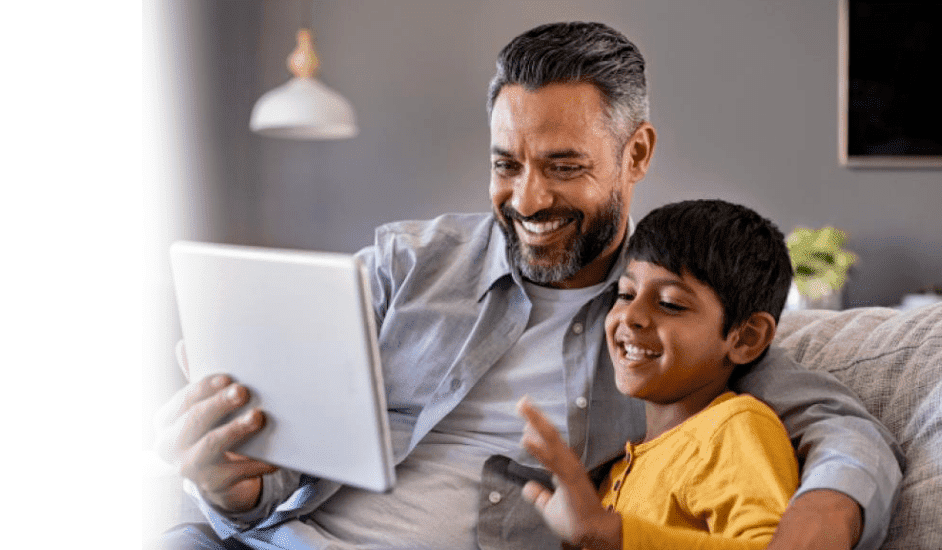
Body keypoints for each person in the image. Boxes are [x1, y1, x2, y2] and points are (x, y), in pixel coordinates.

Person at [155, 21, 903, 550]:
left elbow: (841, 428)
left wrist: (825, 521)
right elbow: (277, 457)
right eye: (507, 164)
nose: (528, 199)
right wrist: (230, 480)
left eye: (565, 166)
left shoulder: (663, 324)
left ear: (635, 153)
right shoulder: (402, 266)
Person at [518, 199, 800, 549]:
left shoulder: (734, 427)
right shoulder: (625, 461)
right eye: (626, 294)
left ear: (746, 337)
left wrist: (612, 533)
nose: (631, 315)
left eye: (670, 303)